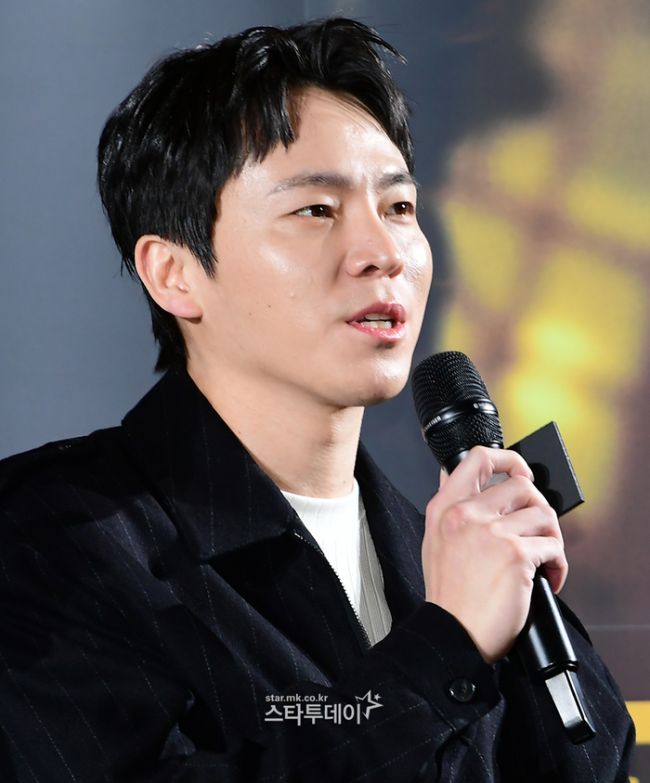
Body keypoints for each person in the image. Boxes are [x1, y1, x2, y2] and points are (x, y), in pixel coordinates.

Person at [0, 17, 634, 782]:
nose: (384, 253)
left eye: (399, 208)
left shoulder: (443, 545)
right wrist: (448, 645)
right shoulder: (47, 540)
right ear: (174, 273)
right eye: (316, 210)